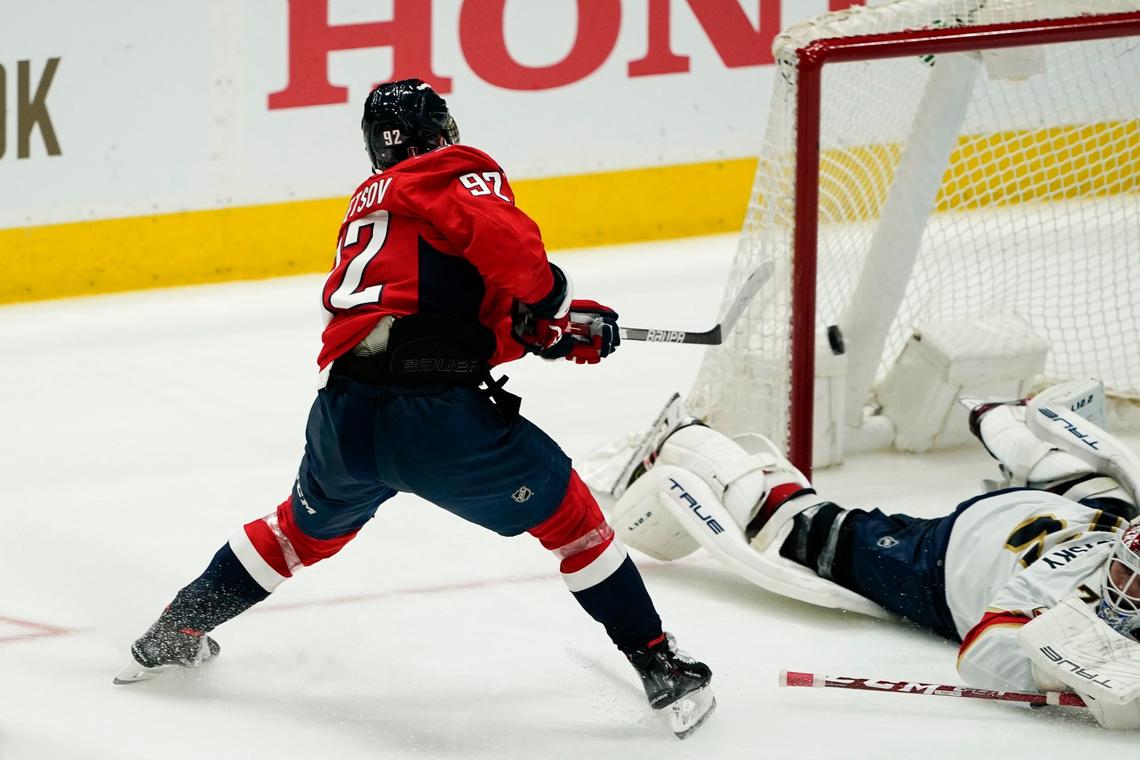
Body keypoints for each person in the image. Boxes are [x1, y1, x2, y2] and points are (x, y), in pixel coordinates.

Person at [114, 79, 714, 739]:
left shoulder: (372, 206)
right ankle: (662, 667)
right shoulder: (453, 171)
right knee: (573, 521)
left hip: (346, 418)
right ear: (438, 132)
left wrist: (543, 330)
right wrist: (555, 307)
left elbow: (430, 311)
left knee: (296, 534)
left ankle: (172, 632)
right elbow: (513, 256)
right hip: (437, 421)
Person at [593, 379, 1140, 729]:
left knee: (1104, 490)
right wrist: (1069, 674)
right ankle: (688, 440)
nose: (1124, 585)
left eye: (1133, 578)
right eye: (1125, 571)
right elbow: (983, 651)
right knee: (799, 530)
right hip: (949, 558)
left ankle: (1001, 421)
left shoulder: (1122, 538)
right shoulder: (1060, 584)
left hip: (1069, 516)